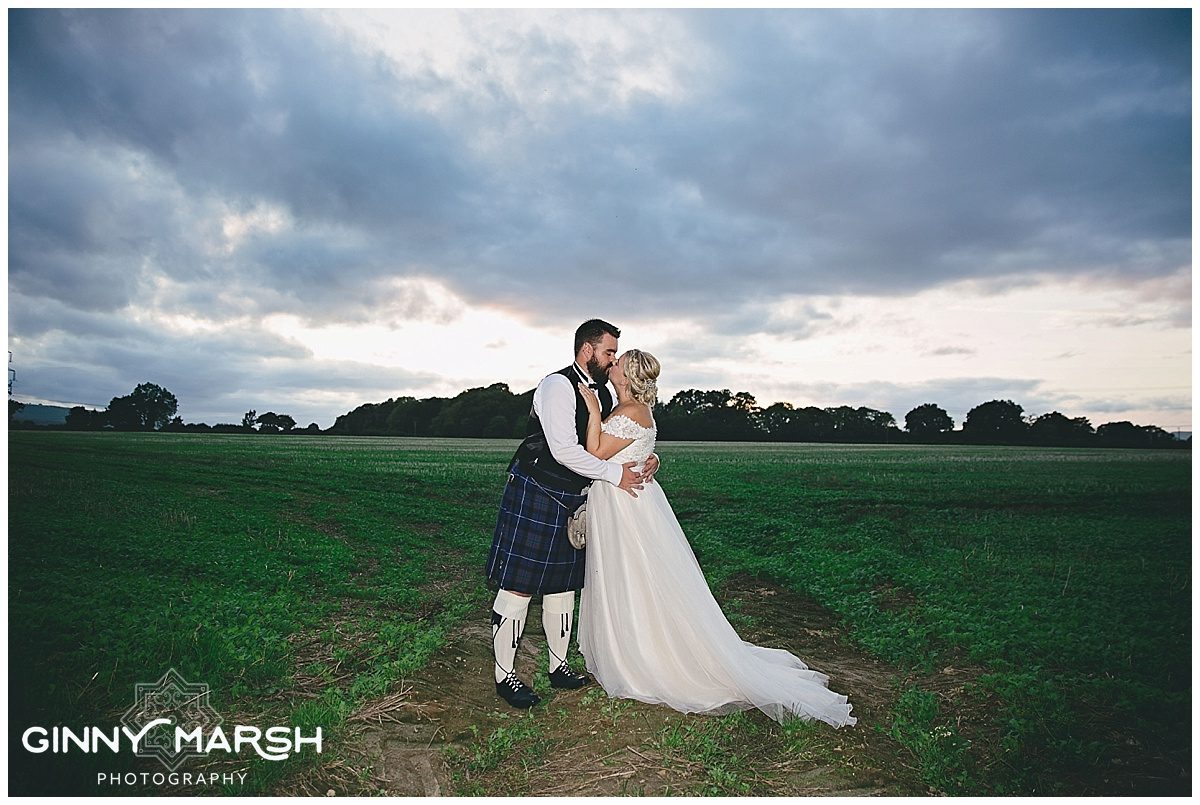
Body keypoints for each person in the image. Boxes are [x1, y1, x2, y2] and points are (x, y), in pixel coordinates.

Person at [575, 349, 857, 728]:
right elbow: (632, 448)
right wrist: (650, 454)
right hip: (624, 501)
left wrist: (593, 413)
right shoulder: (628, 408)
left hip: (626, 506)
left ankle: (646, 655)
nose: (612, 365)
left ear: (627, 376)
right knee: (632, 577)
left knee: (636, 576)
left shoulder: (629, 411)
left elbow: (595, 452)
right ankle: (632, 645)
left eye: (618, 361)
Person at [485, 319, 661, 709]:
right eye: (609, 352)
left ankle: (558, 666)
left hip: (576, 497)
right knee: (520, 584)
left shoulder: (604, 393)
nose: (613, 359)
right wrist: (617, 475)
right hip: (538, 490)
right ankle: (504, 676)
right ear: (587, 350)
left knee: (563, 585)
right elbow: (565, 450)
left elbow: (623, 436)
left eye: (616, 354)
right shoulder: (557, 386)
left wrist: (649, 457)